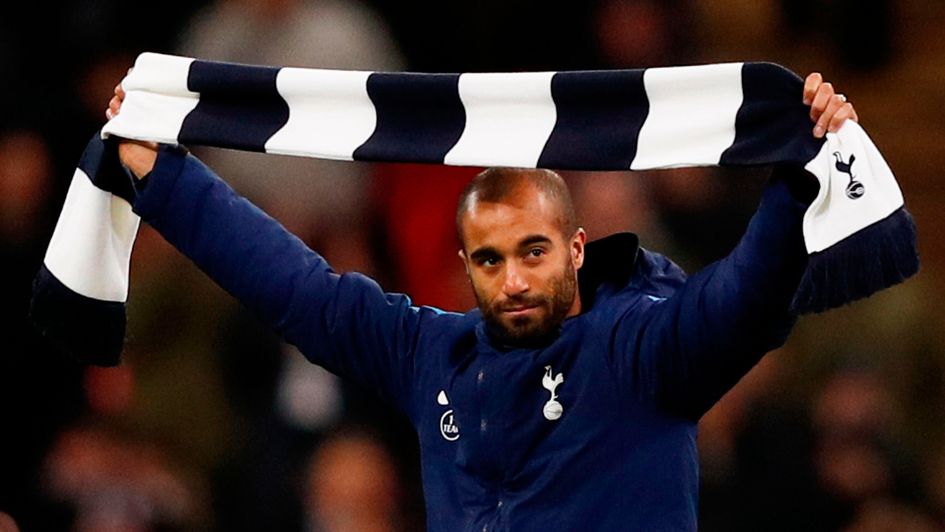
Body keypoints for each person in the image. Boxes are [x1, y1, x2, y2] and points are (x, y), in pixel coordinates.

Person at [107, 74, 857, 530]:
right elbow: (299, 290)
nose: (515, 280)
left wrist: (798, 176)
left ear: (575, 247)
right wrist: (164, 177)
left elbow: (744, 297)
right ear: (465, 267)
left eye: (533, 251)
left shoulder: (645, 347)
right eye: (490, 261)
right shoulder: (430, 350)